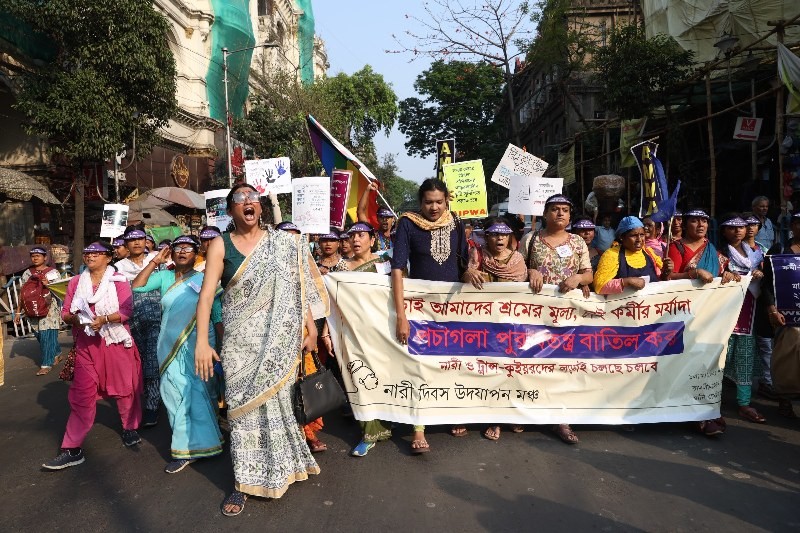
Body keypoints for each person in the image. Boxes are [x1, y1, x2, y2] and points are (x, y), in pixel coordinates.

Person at [194, 183, 327, 516]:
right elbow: (207, 296)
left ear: (261, 207)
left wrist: (310, 327)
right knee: (241, 412)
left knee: (280, 404)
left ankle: (283, 466)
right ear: (231, 210)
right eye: (240, 200)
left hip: (280, 340)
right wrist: (202, 341)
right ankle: (243, 483)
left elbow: (296, 286)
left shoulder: (283, 243)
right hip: (240, 344)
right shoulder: (219, 245)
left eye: (253, 197)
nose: (248, 202)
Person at [42, 241, 143, 470]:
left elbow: (127, 312)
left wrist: (105, 319)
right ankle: (72, 448)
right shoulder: (76, 282)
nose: (90, 256)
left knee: (124, 390)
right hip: (87, 346)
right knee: (81, 395)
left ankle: (129, 427)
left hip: (115, 342)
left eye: (96, 253)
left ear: (108, 258)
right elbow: (66, 312)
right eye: (87, 253)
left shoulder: (119, 280)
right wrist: (76, 320)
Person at [131, 236, 224, 474]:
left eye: (188, 248)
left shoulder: (205, 278)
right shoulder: (163, 277)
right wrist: (154, 261)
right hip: (169, 345)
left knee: (200, 391)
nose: (182, 252)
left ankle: (198, 444)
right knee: (173, 392)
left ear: (196, 254)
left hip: (200, 343)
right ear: (171, 253)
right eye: (178, 248)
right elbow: (137, 286)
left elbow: (215, 313)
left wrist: (220, 344)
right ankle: (189, 447)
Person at [391, 178, 469, 452]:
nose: (434, 207)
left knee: (451, 362)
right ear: (420, 201)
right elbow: (398, 269)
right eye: (428, 202)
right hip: (419, 308)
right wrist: (401, 316)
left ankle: (451, 414)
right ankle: (418, 426)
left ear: (447, 199)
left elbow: (462, 262)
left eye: (439, 201)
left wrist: (468, 271)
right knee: (420, 365)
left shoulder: (457, 223)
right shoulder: (408, 224)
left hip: (452, 308)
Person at [525, 194, 594, 445]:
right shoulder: (531, 239)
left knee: (564, 365)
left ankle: (560, 418)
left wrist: (578, 279)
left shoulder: (577, 242)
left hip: (569, 314)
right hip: (536, 313)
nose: (561, 214)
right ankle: (528, 409)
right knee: (535, 362)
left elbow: (588, 273)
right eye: (555, 209)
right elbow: (517, 267)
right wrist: (530, 271)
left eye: (565, 210)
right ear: (545, 214)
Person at [667, 209, 740, 436]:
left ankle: (707, 410)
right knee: (685, 365)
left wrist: (729, 276)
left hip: (708, 318)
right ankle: (693, 413)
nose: (700, 225)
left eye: (704, 221)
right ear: (686, 224)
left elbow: (723, 274)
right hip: (681, 317)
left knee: (707, 364)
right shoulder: (676, 247)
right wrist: (694, 272)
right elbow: (668, 279)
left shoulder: (712, 251)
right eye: (695, 221)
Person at [325, 222, 392, 457]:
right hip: (352, 332)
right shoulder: (341, 269)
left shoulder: (385, 264)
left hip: (382, 330)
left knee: (383, 377)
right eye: (352, 236)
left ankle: (388, 422)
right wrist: (326, 331)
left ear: (372, 240)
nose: (355, 240)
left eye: (361, 235)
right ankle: (368, 433)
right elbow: (332, 302)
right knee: (359, 379)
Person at [462, 220, 527, 440]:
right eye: (494, 235)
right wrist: (468, 274)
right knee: (482, 369)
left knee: (509, 370)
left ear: (510, 237)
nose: (499, 239)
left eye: (504, 235)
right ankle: (485, 415)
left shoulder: (518, 260)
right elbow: (465, 279)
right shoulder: (477, 255)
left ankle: (504, 415)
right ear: (486, 237)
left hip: (511, 324)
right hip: (482, 324)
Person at [717, 214, 766, 423]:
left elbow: (769, 282)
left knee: (745, 357)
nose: (737, 231)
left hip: (750, 313)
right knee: (719, 356)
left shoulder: (758, 254)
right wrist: (724, 275)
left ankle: (744, 403)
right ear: (724, 231)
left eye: (741, 227)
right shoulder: (718, 254)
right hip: (723, 314)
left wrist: (761, 274)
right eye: (731, 228)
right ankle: (711, 399)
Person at [115, 226, 161, 428]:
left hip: (156, 317)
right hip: (129, 321)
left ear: (146, 241)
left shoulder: (160, 260)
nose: (136, 243)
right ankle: (134, 405)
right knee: (135, 365)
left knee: (151, 362)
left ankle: (151, 407)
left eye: (140, 238)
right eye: (132, 240)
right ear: (125, 244)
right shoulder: (117, 268)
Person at [760, 211, 800, 418]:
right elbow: (767, 283)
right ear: (792, 226)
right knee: (786, 360)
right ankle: (784, 399)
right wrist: (772, 309)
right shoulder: (780, 250)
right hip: (787, 318)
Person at [593, 216, 673, 294]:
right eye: (633, 235)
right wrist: (626, 282)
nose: (639, 239)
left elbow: (660, 280)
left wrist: (666, 273)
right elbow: (599, 286)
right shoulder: (612, 255)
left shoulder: (649, 252)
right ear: (622, 237)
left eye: (642, 235)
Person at [15, 247, 63, 375]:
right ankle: (57, 352)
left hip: (49, 309)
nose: (35, 258)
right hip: (32, 309)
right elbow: (22, 293)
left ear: (45, 257)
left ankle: (46, 364)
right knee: (40, 335)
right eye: (33, 256)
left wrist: (48, 285)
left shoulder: (53, 272)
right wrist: (18, 311)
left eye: (38, 255)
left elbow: (60, 291)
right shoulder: (27, 273)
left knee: (47, 334)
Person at [358, 181, 395, 252]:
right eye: (381, 217)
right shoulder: (373, 234)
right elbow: (361, 212)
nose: (385, 219)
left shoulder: (399, 235)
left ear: (393, 218)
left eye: (387, 217)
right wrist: (367, 190)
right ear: (377, 218)